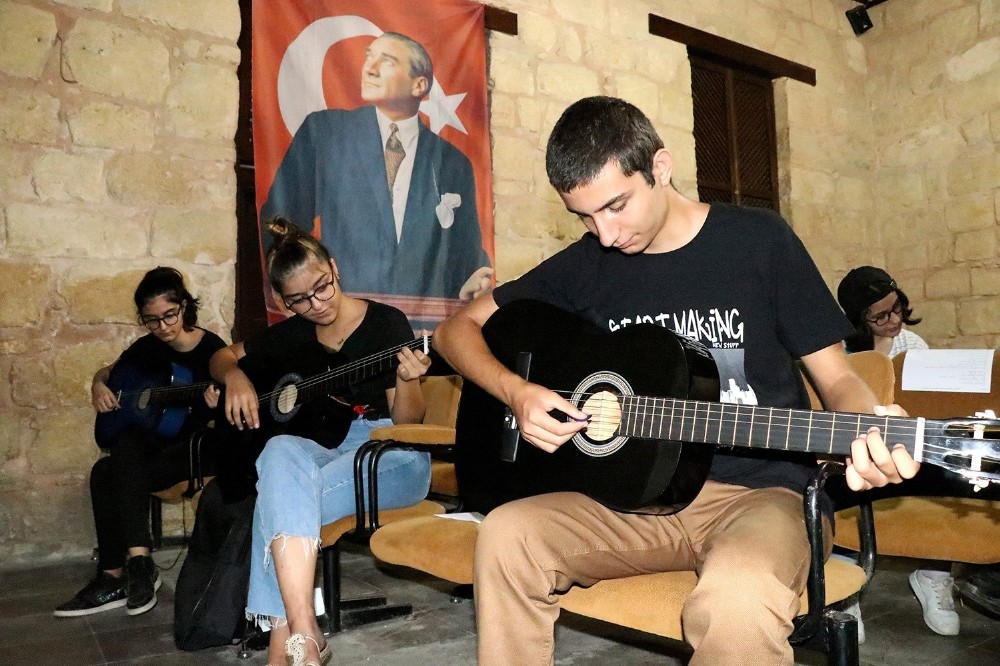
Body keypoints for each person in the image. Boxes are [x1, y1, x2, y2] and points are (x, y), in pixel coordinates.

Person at [432, 96, 920, 665]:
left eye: (616, 206)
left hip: (760, 496)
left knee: (737, 597)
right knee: (506, 535)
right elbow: (455, 331)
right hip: (633, 501)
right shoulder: (589, 263)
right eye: (585, 217)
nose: (605, 233)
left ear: (659, 167)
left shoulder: (758, 241)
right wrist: (515, 391)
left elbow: (837, 378)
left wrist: (867, 427)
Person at [210, 217, 432, 666]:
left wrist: (409, 381)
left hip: (390, 451)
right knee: (277, 451)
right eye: (299, 301)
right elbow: (223, 355)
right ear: (282, 301)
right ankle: (305, 632)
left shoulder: (386, 323)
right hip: (327, 446)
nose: (317, 305)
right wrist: (233, 376)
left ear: (334, 268)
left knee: (275, 500)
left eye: (322, 287)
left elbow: (410, 421)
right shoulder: (295, 332)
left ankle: (285, 647)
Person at [261, 31, 491, 302]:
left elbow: (467, 251)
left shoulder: (453, 162)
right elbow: (281, 217)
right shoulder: (325, 133)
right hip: (340, 320)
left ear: (419, 85)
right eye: (368, 57)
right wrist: (291, 289)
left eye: (387, 61)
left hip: (420, 328)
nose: (368, 69)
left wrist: (476, 281)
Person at [54, 267, 226, 618]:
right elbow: (110, 372)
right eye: (151, 321)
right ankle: (121, 571)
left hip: (193, 453)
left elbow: (235, 404)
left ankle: (127, 570)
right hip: (151, 454)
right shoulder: (147, 348)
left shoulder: (212, 349)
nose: (162, 327)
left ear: (184, 306)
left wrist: (217, 403)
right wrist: (97, 385)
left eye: (169, 316)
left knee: (117, 459)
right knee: (105, 470)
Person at [837, 266, 928, 357]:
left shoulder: (912, 346)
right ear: (859, 321)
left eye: (896, 307)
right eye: (881, 316)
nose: (896, 320)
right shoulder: (836, 353)